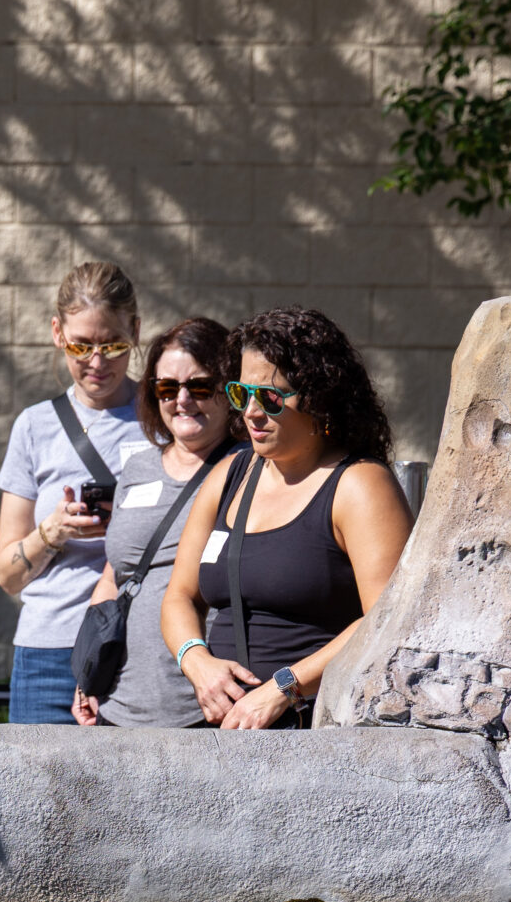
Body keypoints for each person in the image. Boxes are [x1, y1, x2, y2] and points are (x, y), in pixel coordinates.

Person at [158, 306, 414, 730]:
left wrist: (284, 689)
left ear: (319, 399)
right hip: (227, 731)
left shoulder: (360, 485)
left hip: (316, 731)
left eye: (270, 398)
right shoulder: (230, 474)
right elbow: (179, 596)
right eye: (241, 394)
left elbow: (387, 619)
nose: (251, 412)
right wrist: (197, 661)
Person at [0, 261, 147, 724]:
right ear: (57, 333)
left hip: (135, 645)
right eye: (81, 346)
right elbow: (7, 576)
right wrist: (53, 532)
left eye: (112, 345)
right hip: (49, 651)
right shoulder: (34, 426)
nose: (97, 362)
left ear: (136, 332)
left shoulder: (164, 420)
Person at [71, 317, 241, 728]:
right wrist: (88, 674)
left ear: (228, 388)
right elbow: (114, 575)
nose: (181, 400)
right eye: (166, 387)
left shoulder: (249, 468)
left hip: (205, 706)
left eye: (199, 386)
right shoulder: (138, 468)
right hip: (117, 706)